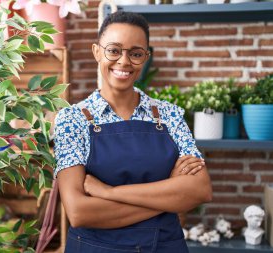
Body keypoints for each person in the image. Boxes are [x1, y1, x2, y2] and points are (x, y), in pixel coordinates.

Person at [53, 11, 212, 253]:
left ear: (145, 57)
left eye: (136, 53)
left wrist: (109, 192)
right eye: (114, 50)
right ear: (97, 51)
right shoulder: (72, 120)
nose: (124, 61)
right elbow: (78, 212)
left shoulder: (170, 115)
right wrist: (170, 194)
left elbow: (200, 190)